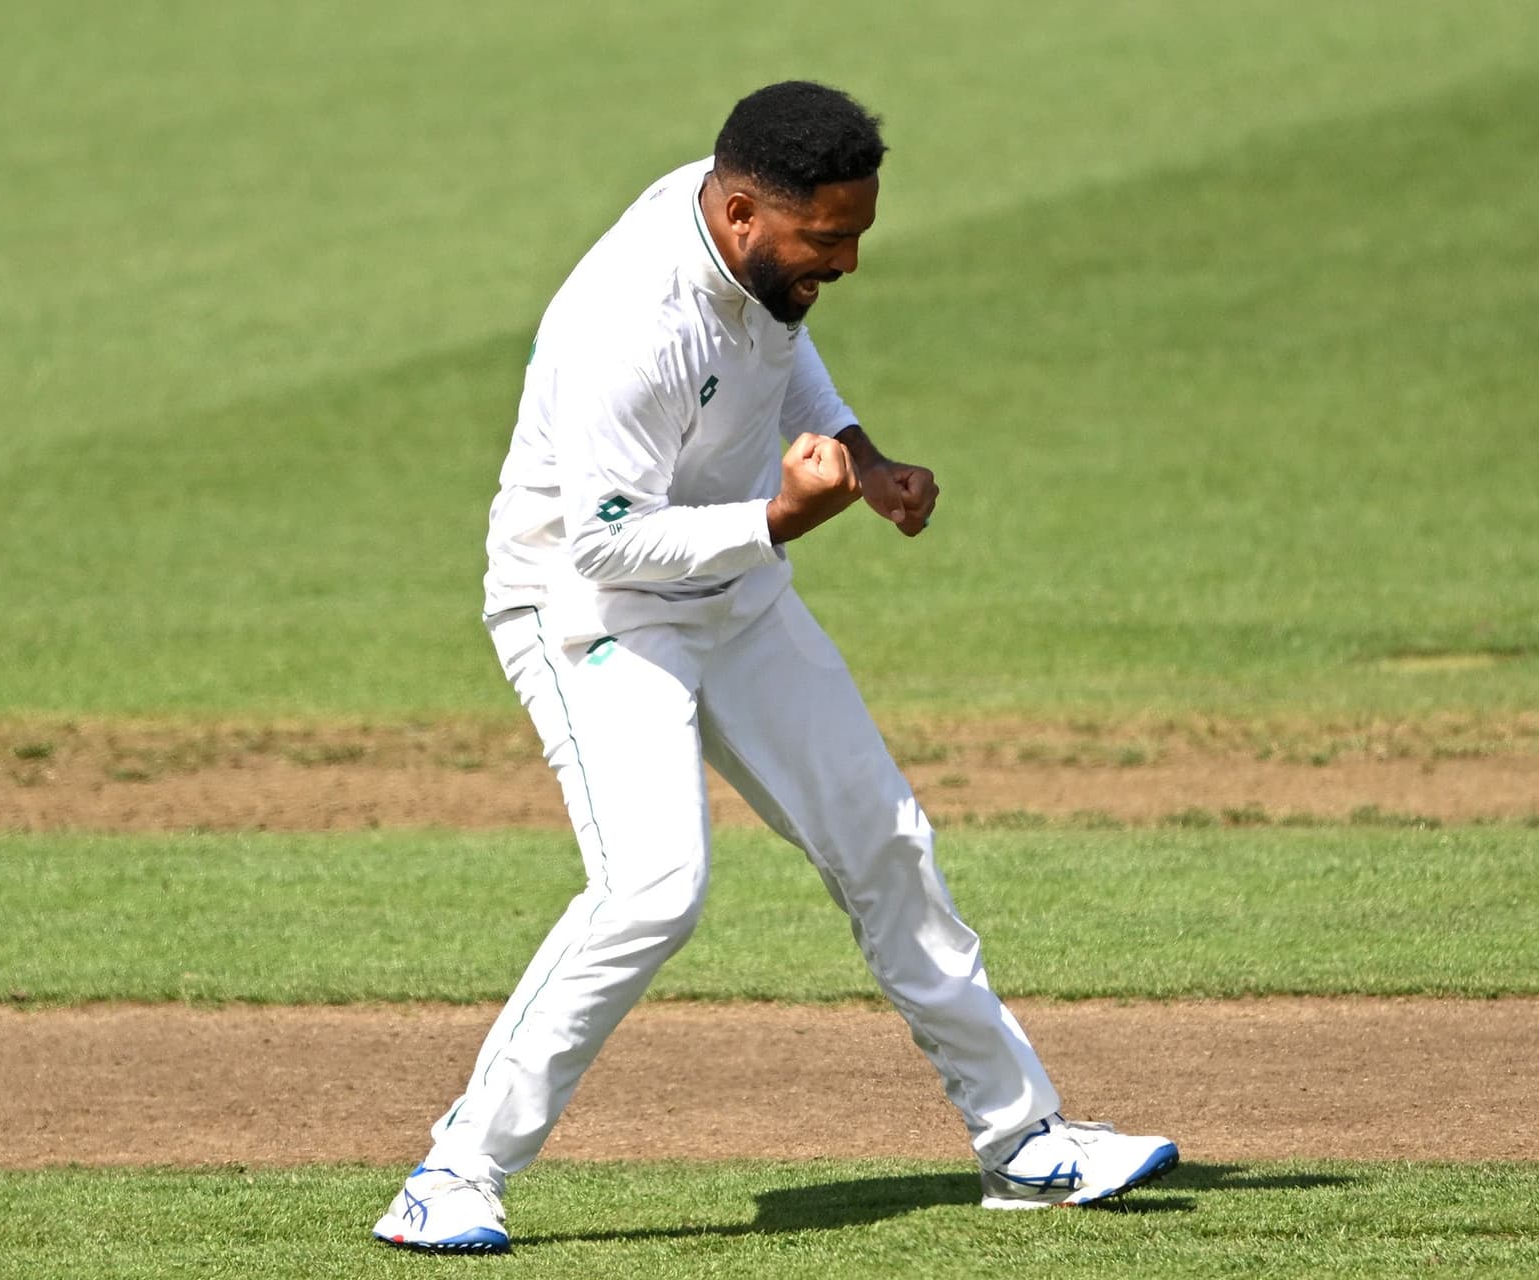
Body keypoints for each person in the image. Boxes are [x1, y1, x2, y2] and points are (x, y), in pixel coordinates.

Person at [372, 80, 1178, 1255]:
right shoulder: (628, 321)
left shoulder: (751, 251)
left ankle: (1024, 1142)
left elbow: (780, 347)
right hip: (594, 610)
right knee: (653, 889)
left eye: (857, 232)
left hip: (734, 590)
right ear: (743, 210)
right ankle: (451, 1173)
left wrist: (863, 457)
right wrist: (783, 517)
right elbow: (603, 542)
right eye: (826, 238)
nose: (845, 262)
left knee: (884, 838)